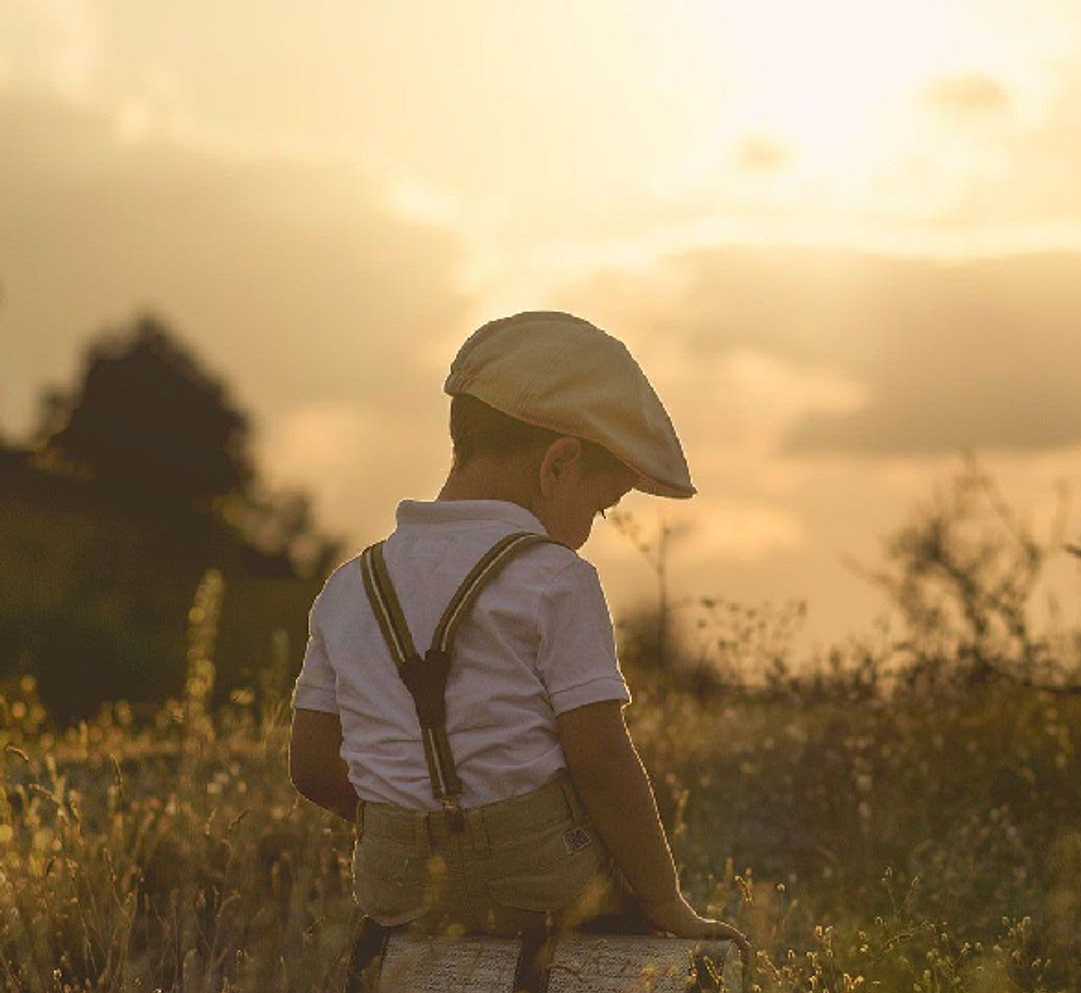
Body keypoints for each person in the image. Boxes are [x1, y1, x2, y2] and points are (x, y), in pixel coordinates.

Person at [288, 310, 749, 955]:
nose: (589, 529)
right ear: (558, 466)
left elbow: (311, 767)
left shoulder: (347, 586)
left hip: (395, 883)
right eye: (599, 507)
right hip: (540, 880)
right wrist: (664, 899)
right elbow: (599, 758)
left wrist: (414, 830)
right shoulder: (556, 579)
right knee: (626, 904)